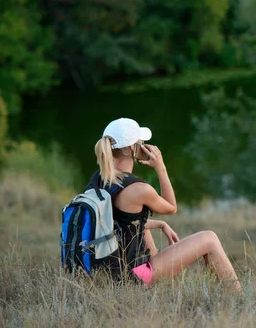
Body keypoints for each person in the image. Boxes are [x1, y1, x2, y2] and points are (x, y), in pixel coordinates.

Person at [92, 117, 241, 291]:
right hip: (133, 276)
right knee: (209, 238)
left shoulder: (99, 180)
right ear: (132, 148)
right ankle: (238, 299)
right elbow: (171, 207)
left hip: (109, 270)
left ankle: (158, 291)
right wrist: (160, 167)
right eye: (141, 142)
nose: (144, 145)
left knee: (144, 228)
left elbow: (119, 222)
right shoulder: (138, 189)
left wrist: (159, 223)